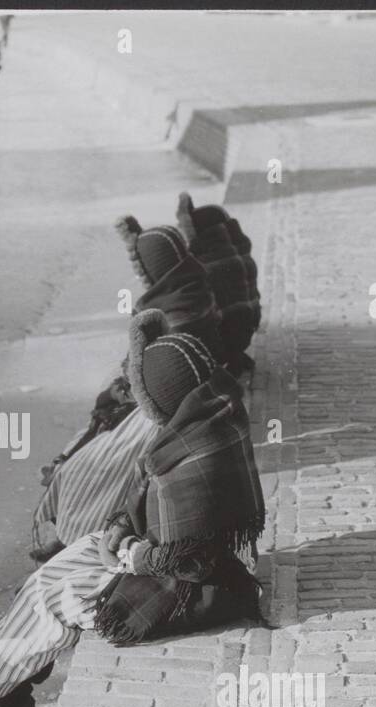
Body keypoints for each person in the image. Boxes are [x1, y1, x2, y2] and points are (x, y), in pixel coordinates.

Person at [0, 315, 268, 707]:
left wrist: (133, 556)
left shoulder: (194, 458)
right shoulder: (205, 420)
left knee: (57, 598)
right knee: (54, 570)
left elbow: (194, 562)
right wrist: (120, 529)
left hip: (197, 589)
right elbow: (147, 508)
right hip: (179, 566)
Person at [32, 210, 224, 563]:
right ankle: (65, 526)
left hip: (166, 407)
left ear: (160, 268)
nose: (138, 272)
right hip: (164, 396)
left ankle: (73, 540)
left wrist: (127, 390)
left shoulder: (177, 313)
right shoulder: (183, 290)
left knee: (94, 468)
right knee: (89, 444)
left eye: (143, 265)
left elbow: (168, 375)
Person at [174, 192, 261, 377]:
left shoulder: (208, 267)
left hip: (226, 341)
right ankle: (234, 354)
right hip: (244, 333)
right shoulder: (239, 255)